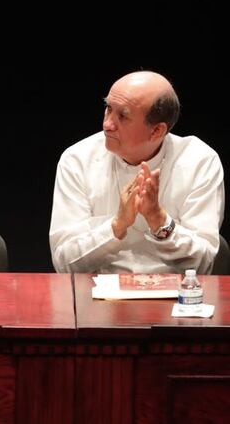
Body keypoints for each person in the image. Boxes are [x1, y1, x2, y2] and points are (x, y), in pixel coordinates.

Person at [49, 70, 224, 273]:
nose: (107, 124)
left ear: (157, 130)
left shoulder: (199, 161)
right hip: (97, 297)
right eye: (108, 109)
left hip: (176, 297)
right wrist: (117, 226)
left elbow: (203, 264)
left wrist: (159, 221)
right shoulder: (78, 159)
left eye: (122, 116)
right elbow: (64, 262)